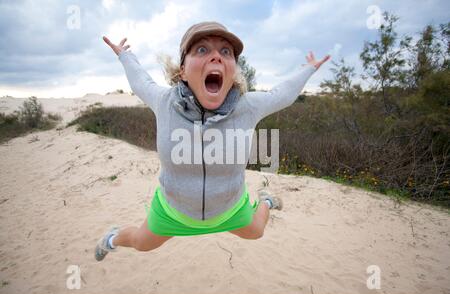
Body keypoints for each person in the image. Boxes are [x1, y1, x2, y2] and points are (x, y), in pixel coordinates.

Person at [95, 21, 330, 261]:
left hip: (229, 211)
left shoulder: (247, 107)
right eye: (202, 50)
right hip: (173, 212)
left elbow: (282, 94)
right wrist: (125, 56)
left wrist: (309, 69)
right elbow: (140, 81)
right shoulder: (164, 102)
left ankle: (266, 202)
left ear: (234, 71)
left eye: (226, 51)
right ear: (183, 70)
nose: (216, 56)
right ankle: (111, 240)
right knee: (140, 243)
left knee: (256, 232)